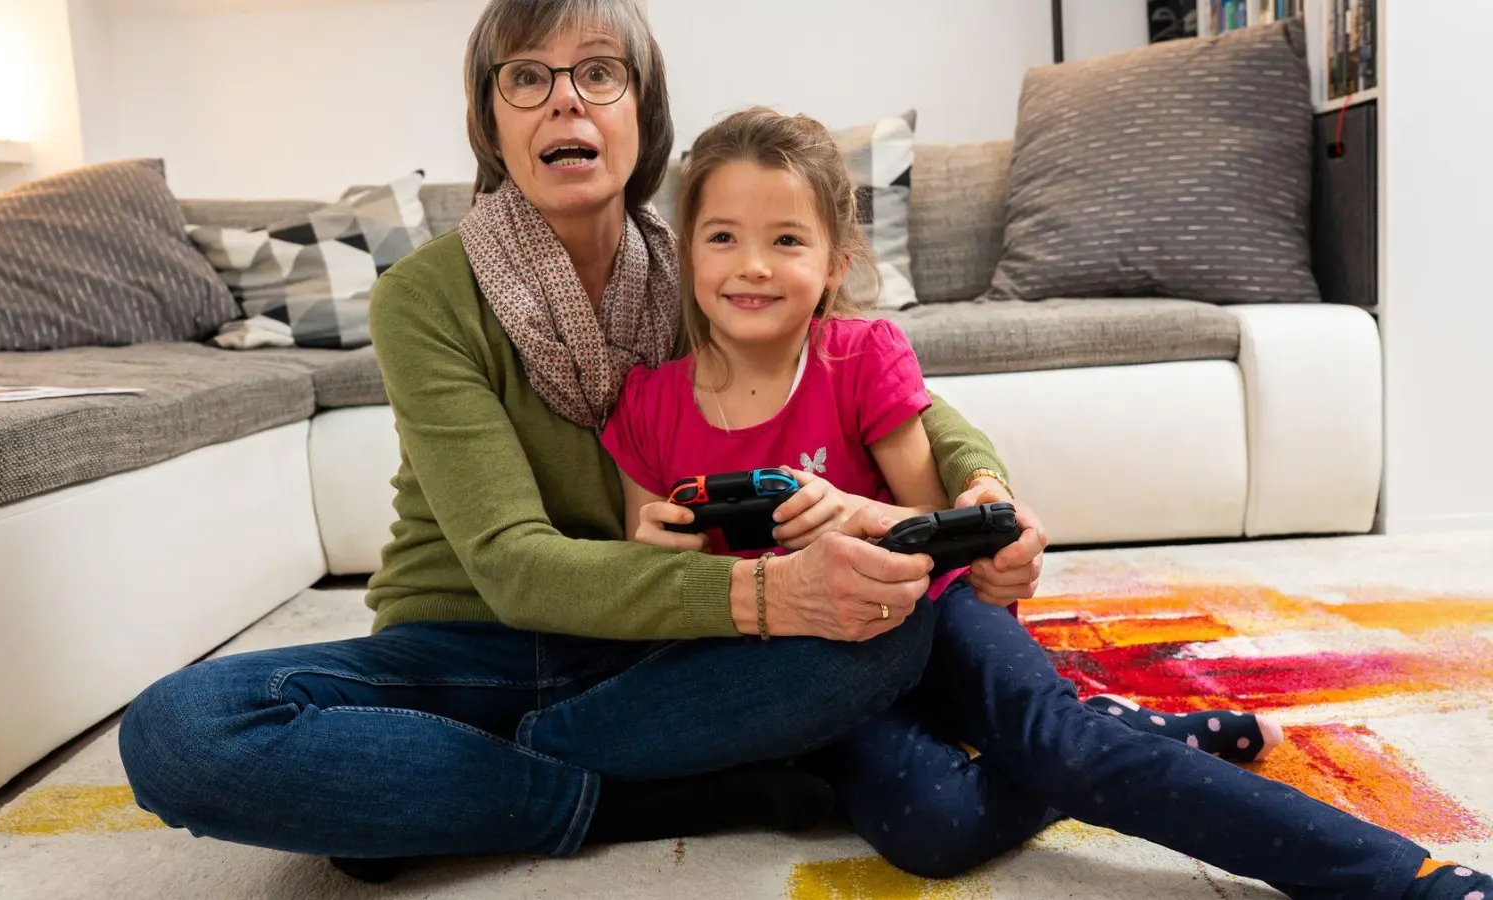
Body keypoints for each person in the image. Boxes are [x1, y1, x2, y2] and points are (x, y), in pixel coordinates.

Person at [116, 0, 1050, 885]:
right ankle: (628, 794)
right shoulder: (425, 298)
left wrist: (981, 490)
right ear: (492, 124)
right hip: (465, 647)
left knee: (890, 624)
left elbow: (882, 377)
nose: (566, 97)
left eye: (599, 73)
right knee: (180, 731)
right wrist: (766, 593)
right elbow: (514, 567)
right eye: (528, 77)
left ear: (645, 114)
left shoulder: (710, 269)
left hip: (653, 647)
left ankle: (439, 792)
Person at [604, 105, 1492, 900]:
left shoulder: (859, 356)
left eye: (786, 241)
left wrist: (856, 512)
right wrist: (660, 558)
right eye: (721, 237)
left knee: (1054, 744)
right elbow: (645, 577)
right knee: (932, 827)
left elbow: (941, 537)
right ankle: (1114, 727)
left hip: (933, 616)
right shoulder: (648, 404)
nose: (751, 266)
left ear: (835, 263)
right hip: (816, 676)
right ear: (684, 251)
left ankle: (1400, 876)